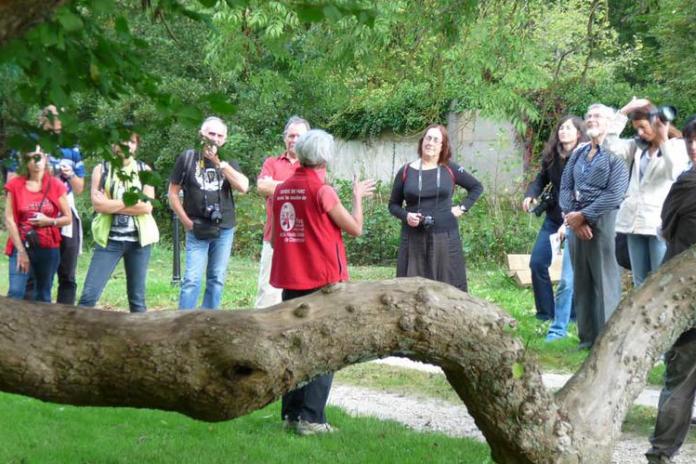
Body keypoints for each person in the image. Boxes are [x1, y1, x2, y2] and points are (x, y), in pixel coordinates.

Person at [270, 129, 375, 436]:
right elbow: (355, 228)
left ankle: (290, 414)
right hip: (321, 280)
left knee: (294, 345)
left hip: (291, 278)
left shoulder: (284, 188)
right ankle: (312, 419)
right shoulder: (323, 190)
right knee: (326, 348)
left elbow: (280, 235)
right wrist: (357, 197)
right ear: (326, 157)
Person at [645, 116, 696, 464]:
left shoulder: (687, 183)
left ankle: (661, 455)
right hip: (686, 297)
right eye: (691, 139)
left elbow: (666, 225)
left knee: (678, 381)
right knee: (680, 379)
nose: (693, 146)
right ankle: (661, 454)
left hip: (685, 293)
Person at [559, 103, 630, 349]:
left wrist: (585, 216)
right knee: (582, 280)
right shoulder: (579, 153)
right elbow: (565, 186)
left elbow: (616, 193)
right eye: (588, 116)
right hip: (577, 220)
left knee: (605, 280)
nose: (591, 119)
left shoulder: (616, 153)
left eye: (597, 116)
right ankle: (586, 339)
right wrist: (572, 217)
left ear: (609, 123)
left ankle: (607, 341)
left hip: (605, 219)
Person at [603, 98, 689, 287]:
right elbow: (608, 145)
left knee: (660, 280)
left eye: (643, 127)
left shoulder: (677, 146)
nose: (640, 132)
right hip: (633, 221)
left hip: (657, 222)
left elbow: (673, 172)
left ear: (656, 122)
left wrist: (663, 139)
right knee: (640, 281)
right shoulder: (636, 147)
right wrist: (623, 112)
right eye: (636, 129)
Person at [388, 124, 483, 292]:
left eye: (436, 140)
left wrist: (462, 207)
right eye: (428, 138)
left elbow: (476, 187)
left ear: (442, 145)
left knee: (448, 287)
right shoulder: (406, 171)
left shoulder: (450, 168)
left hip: (445, 237)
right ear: (422, 141)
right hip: (413, 238)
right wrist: (406, 216)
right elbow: (393, 205)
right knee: (411, 290)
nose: (431, 143)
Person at [168, 116, 249, 310]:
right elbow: (172, 193)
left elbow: (243, 187)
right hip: (196, 226)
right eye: (211, 133)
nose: (215, 138)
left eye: (220, 135)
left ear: (225, 139)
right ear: (201, 135)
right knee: (192, 280)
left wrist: (220, 163)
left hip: (224, 228)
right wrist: (186, 222)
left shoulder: (228, 160)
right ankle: (183, 323)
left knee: (217, 278)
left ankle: (209, 321)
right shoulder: (187, 157)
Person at [7, 105, 85, 304]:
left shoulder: (72, 146)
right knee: (31, 279)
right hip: (31, 209)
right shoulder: (27, 143)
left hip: (63, 209)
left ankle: (64, 321)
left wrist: (70, 174)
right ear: (42, 119)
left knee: (67, 273)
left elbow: (79, 188)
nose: (57, 121)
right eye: (52, 117)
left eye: (60, 116)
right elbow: (12, 181)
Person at [78, 134, 159, 312]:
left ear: (136, 146)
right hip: (109, 241)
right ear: (114, 145)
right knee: (88, 297)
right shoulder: (102, 169)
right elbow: (98, 205)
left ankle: (139, 338)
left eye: (131, 141)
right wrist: (132, 202)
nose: (127, 145)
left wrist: (111, 204)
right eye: (123, 141)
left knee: (137, 301)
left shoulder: (144, 170)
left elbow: (147, 207)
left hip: (139, 242)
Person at [523, 116, 587, 322]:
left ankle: (574, 316)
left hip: (578, 220)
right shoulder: (552, 156)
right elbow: (541, 177)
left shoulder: (586, 157)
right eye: (561, 127)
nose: (563, 131)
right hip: (553, 218)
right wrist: (531, 194)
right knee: (537, 263)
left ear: (579, 133)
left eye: (568, 128)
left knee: (574, 273)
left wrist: (569, 222)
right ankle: (545, 313)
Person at [255, 116, 310, 308]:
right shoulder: (272, 162)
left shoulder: (313, 164)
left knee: (300, 293)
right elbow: (262, 187)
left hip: (303, 238)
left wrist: (276, 185)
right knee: (268, 292)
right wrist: (295, 187)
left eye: (299, 136)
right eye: (291, 135)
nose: (294, 140)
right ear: (284, 138)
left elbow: (313, 192)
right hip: (274, 236)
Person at [4, 148, 72, 302]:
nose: (35, 162)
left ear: (45, 159)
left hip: (47, 245)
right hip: (21, 243)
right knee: (15, 292)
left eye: (38, 157)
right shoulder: (15, 185)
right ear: (25, 162)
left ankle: (42, 326)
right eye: (30, 158)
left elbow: (68, 218)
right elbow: (9, 219)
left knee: (42, 294)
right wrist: (21, 251)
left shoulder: (56, 185)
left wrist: (49, 221)